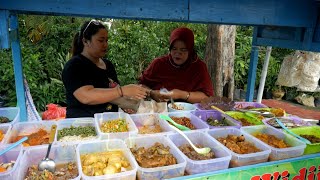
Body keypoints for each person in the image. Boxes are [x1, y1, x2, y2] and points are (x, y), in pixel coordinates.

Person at [62, 20, 148, 118]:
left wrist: (128, 104)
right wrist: (122, 91)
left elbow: (112, 95)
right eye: (101, 40)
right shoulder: (75, 65)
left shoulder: (108, 65)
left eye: (106, 40)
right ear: (85, 41)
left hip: (109, 124)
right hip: (83, 125)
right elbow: (86, 96)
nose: (105, 45)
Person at [139, 27, 214, 103]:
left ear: (190, 50)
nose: (178, 53)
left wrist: (182, 95)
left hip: (190, 113)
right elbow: (141, 86)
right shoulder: (159, 64)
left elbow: (207, 97)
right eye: (174, 49)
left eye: (183, 50)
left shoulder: (199, 67)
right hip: (160, 111)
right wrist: (152, 93)